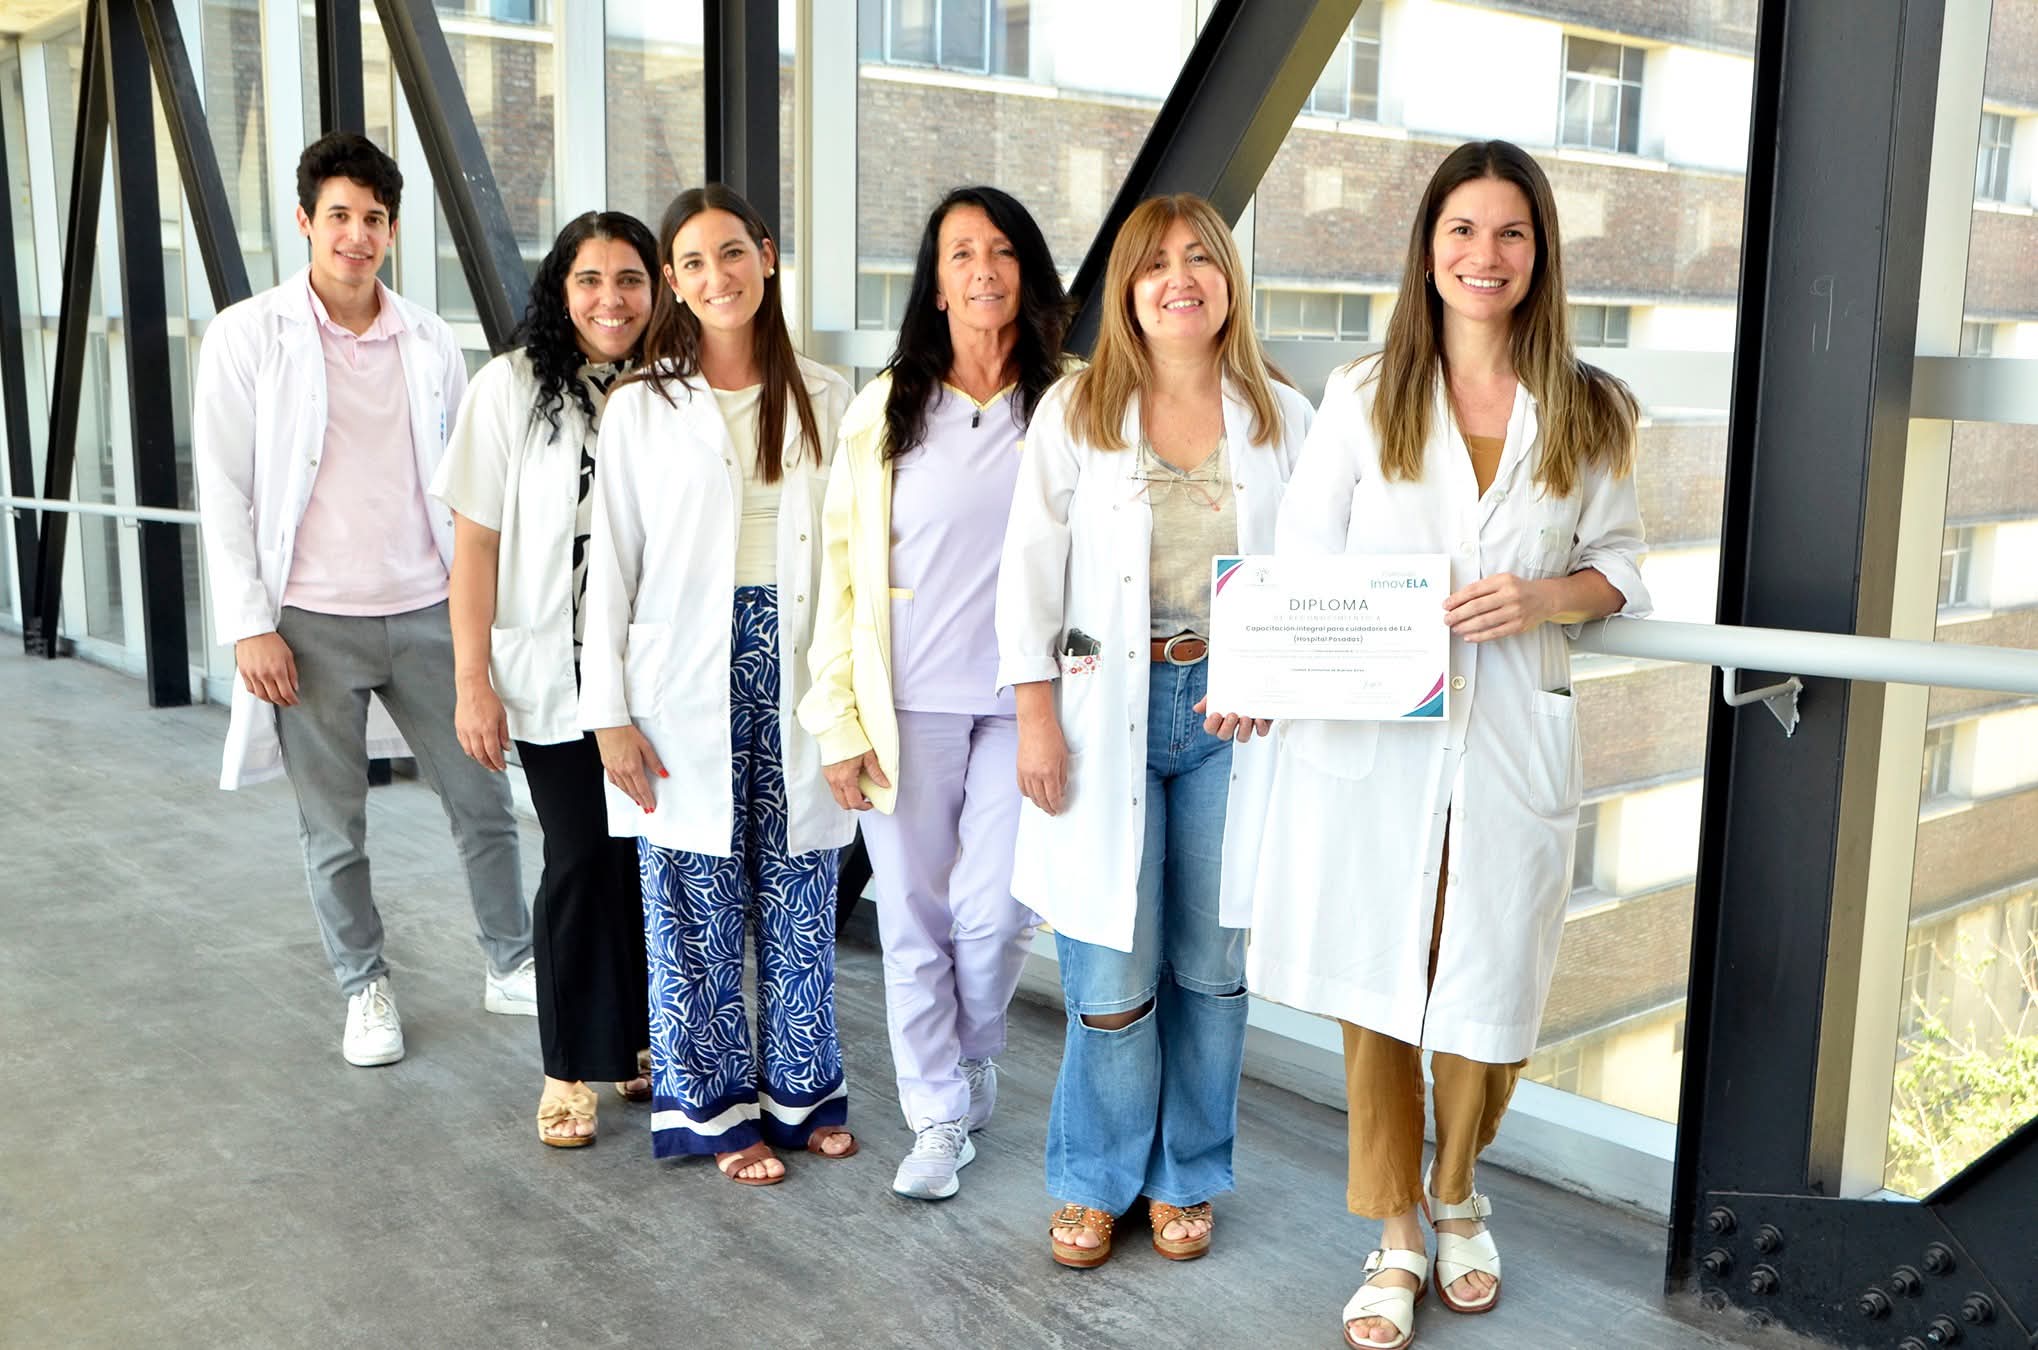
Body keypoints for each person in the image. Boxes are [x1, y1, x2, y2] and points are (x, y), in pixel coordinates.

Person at [1226, 141, 1650, 1350]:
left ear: (1539, 254)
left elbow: (1620, 565)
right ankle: (1398, 1230)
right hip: (1377, 741)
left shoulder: (1591, 406)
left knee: (1488, 982)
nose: (1484, 254)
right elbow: (1301, 566)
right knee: (1379, 986)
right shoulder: (1367, 394)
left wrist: (1541, 596)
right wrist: (1258, 674)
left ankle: (1457, 1186)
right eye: (1462, 229)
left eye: (1510, 232)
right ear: (1426, 250)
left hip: (1510, 737)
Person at [994, 194, 1314, 1266]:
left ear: (1228, 279)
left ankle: (1187, 1174)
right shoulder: (1077, 411)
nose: (1180, 279)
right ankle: (1095, 1178)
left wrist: (1280, 674)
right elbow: (1028, 572)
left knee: (1210, 967)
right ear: (1127, 291)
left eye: (1200, 259)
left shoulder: (1284, 417)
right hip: (1103, 713)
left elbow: (1324, 574)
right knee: (1110, 971)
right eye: (1154, 264)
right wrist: (1035, 719)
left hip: (1238, 715)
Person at [194, 131, 534, 1068]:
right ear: (304, 222)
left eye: (373, 218)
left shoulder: (429, 340)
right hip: (307, 623)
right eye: (338, 215)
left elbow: (464, 488)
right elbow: (223, 488)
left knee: (483, 799)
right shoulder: (247, 335)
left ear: (392, 229)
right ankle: (364, 988)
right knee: (334, 825)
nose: (356, 235)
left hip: (430, 609)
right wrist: (250, 624)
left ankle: (511, 961)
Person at [579, 184, 857, 1183]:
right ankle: (713, 1112)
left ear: (767, 256)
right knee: (690, 898)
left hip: (800, 662)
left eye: (732, 253)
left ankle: (802, 1094)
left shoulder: (831, 397)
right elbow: (610, 566)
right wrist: (607, 715)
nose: (716, 277)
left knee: (801, 884)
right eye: (692, 263)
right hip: (681, 679)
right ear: (672, 282)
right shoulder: (640, 405)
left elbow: (853, 559)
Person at [799, 186, 1069, 1200]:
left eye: (1001, 250)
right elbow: (839, 575)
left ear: (1027, 272)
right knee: (913, 917)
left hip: (1025, 705)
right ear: (937, 282)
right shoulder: (885, 408)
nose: (983, 269)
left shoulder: (1070, 401)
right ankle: (935, 1114)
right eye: (961, 253)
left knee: (995, 913)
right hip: (904, 700)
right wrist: (837, 718)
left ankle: (973, 1046)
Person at [431, 210, 661, 1147]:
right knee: (578, 859)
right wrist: (471, 680)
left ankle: (641, 1040)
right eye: (589, 279)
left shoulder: (674, 385)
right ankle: (567, 1067)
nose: (611, 299)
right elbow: (475, 547)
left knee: (645, 862)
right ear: (561, 290)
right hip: (551, 675)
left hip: (652, 673)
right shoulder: (511, 388)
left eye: (630, 279)